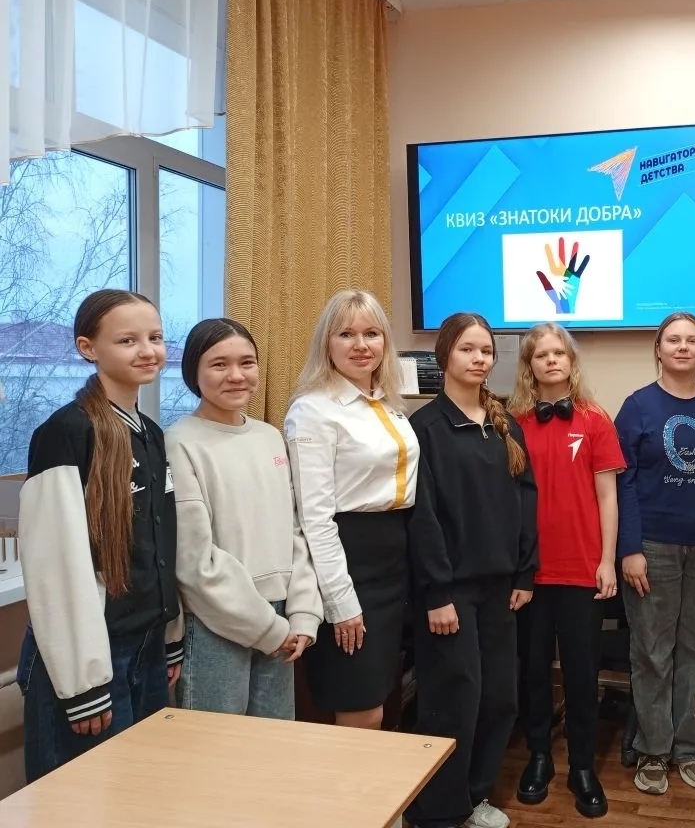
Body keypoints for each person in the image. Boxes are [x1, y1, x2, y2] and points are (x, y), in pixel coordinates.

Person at [17, 289, 183, 782]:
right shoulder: (67, 432)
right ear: (88, 348)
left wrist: (169, 637)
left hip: (146, 647)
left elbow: (161, 544)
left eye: (155, 337)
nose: (147, 350)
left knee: (142, 793)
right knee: (84, 800)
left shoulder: (150, 432)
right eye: (128, 340)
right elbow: (57, 565)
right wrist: (83, 684)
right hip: (89, 658)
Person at [405, 312, 538, 828]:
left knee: (500, 699)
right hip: (450, 593)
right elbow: (422, 517)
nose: (479, 359)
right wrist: (437, 593)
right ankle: (439, 813)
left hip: (501, 588)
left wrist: (524, 573)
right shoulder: (424, 428)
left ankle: (476, 797)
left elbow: (526, 501)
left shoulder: (505, 423)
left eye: (486, 350)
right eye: (467, 349)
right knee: (454, 701)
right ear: (445, 355)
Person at [167, 318, 322, 718]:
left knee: (272, 746)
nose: (236, 375)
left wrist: (303, 613)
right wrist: (268, 629)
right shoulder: (180, 442)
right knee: (216, 749)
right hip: (216, 623)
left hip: (282, 619)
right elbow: (194, 560)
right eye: (219, 364)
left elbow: (295, 530)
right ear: (193, 372)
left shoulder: (269, 436)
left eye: (247, 362)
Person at [283, 289, 418, 731]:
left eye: (372, 334)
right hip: (350, 563)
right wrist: (340, 603)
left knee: (385, 695)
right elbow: (315, 518)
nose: (361, 345)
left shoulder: (389, 406)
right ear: (327, 343)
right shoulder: (313, 410)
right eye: (346, 334)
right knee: (361, 703)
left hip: (394, 559)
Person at [507, 323, 625, 819]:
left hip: (582, 570)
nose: (551, 360)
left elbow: (608, 497)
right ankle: (538, 757)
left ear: (571, 362)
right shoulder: (512, 424)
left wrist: (607, 560)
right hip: (531, 574)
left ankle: (581, 766)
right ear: (529, 366)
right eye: (541, 355)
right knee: (534, 671)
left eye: (559, 353)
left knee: (580, 673)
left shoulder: (595, 419)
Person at [615, 311, 695, 796]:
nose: (683, 347)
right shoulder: (637, 406)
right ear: (658, 350)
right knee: (652, 651)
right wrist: (629, 549)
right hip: (653, 548)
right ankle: (653, 749)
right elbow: (621, 483)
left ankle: (687, 746)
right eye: (673, 340)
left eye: (692, 340)